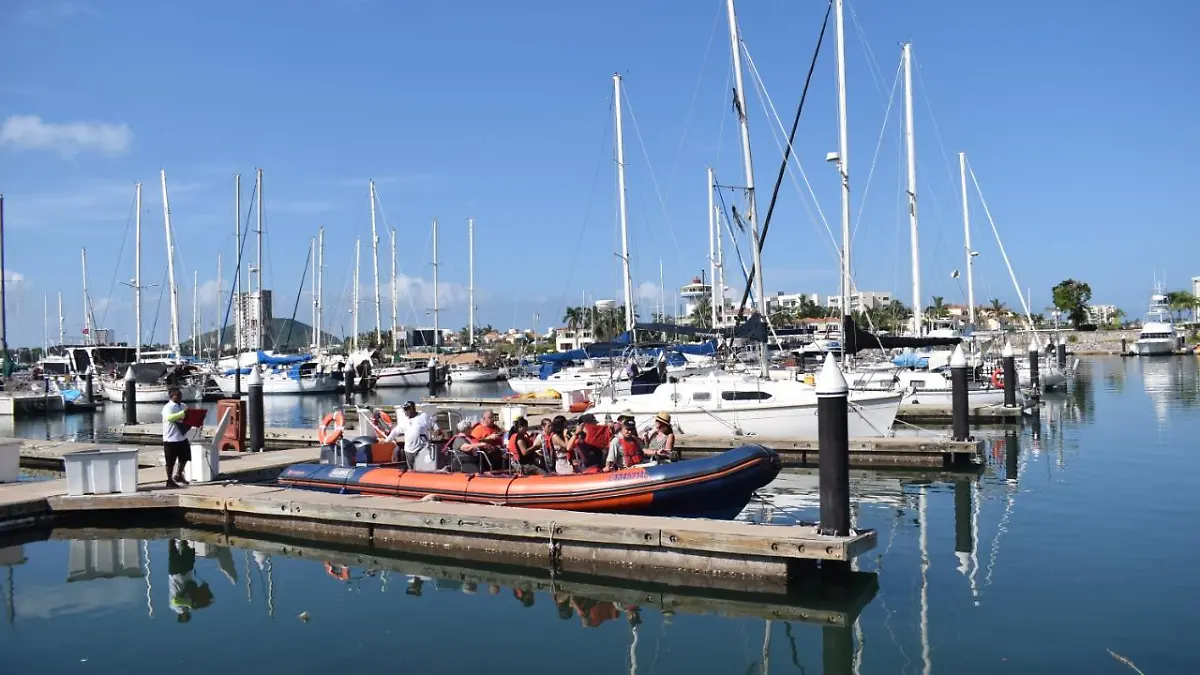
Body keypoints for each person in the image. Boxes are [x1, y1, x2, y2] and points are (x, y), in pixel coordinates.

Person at [386, 401, 441, 469]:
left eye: (407, 409)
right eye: (404, 409)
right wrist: (386, 440)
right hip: (408, 450)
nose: (405, 411)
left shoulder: (423, 416)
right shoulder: (404, 421)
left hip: (421, 449)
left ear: (412, 408)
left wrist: (437, 429)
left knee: (422, 468)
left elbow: (433, 424)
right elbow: (395, 431)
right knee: (411, 470)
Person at [161, 387, 191, 487]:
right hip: (170, 439)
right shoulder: (168, 407)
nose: (180, 397)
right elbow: (169, 417)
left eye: (180, 395)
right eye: (177, 395)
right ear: (171, 397)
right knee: (170, 461)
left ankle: (179, 475)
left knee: (184, 458)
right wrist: (182, 413)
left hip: (182, 437)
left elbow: (188, 416)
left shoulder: (183, 405)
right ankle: (169, 480)